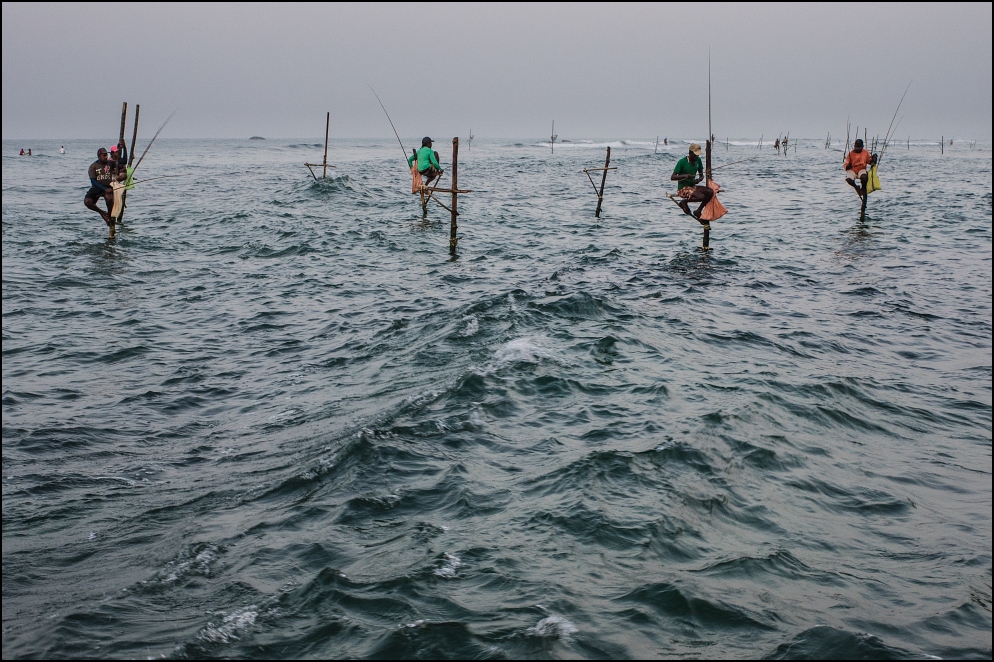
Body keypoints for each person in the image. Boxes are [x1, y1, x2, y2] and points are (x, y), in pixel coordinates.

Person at [670, 143, 713, 223]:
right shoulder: (682, 162)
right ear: (690, 153)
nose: (697, 157)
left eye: (698, 155)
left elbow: (701, 175)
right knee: (701, 196)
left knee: (710, 192)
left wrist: (699, 180)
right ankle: (684, 202)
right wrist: (685, 176)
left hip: (692, 186)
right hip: (683, 188)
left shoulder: (698, 161)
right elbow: (673, 177)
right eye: (695, 155)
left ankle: (698, 210)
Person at [84, 147, 123, 229]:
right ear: (99, 156)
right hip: (97, 187)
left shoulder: (110, 163)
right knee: (87, 202)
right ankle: (102, 213)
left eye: (106, 155)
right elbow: (93, 181)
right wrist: (104, 189)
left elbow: (122, 163)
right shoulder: (93, 166)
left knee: (109, 198)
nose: (105, 157)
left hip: (108, 186)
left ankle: (110, 216)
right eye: (103, 155)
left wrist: (123, 148)